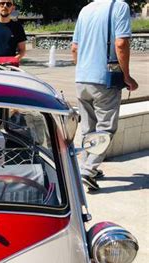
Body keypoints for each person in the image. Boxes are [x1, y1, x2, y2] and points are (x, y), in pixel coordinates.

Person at [72, 0, 138, 191]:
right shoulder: (119, 7)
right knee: (106, 129)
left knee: (88, 128)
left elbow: (74, 48)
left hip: (81, 79)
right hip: (104, 79)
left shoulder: (85, 9)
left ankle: (85, 165)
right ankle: (88, 170)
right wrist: (126, 76)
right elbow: (121, 43)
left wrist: (83, 70)